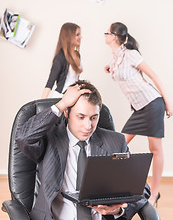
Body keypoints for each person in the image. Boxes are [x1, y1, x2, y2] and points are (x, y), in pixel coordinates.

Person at [16, 80, 150, 220]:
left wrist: (118, 210)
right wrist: (61, 104)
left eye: (94, 118)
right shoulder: (49, 138)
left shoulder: (115, 142)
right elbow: (23, 138)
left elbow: (142, 189)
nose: (88, 126)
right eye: (81, 117)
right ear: (67, 113)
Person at [104, 22, 173, 206]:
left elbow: (154, 76)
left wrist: (168, 102)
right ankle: (122, 185)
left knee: (155, 148)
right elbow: (120, 72)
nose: (105, 34)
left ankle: (155, 193)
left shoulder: (131, 54)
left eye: (107, 32)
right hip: (139, 108)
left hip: (152, 103)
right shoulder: (115, 57)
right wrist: (110, 69)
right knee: (119, 145)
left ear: (114, 36)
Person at [41, 22, 83, 99]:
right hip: (61, 97)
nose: (81, 37)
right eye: (77, 35)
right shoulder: (60, 57)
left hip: (73, 96)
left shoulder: (77, 55)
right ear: (69, 36)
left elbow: (74, 80)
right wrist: (40, 105)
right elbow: (50, 82)